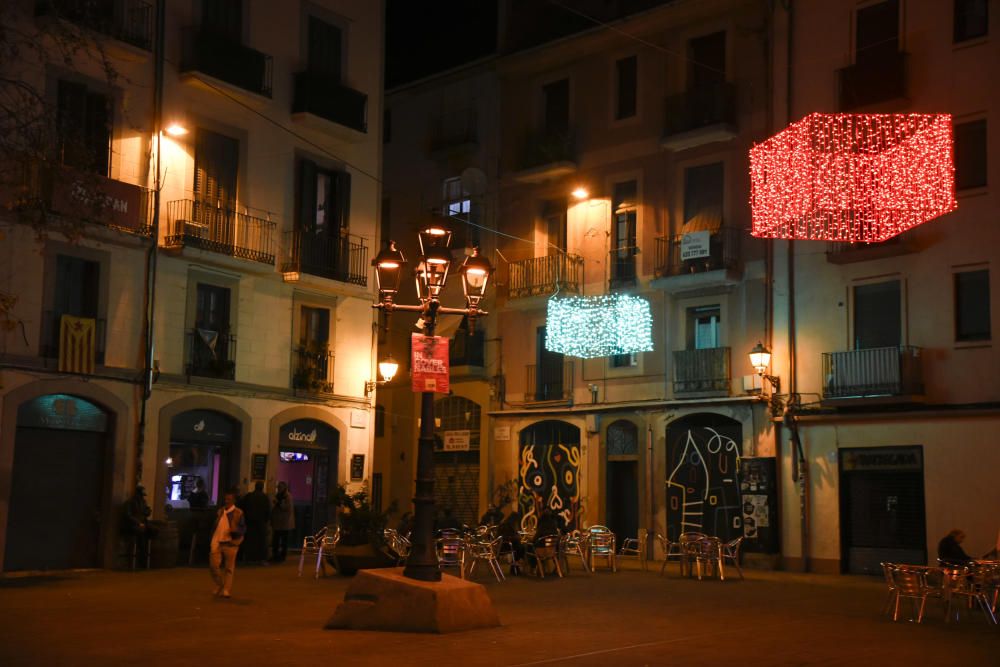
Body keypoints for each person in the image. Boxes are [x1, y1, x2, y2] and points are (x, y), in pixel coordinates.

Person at [210, 488, 246, 598]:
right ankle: (220, 584)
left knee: (229, 568)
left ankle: (226, 589)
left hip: (230, 543)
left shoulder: (238, 513)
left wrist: (235, 531)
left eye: (229, 499)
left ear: (234, 500)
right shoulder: (221, 511)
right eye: (226, 499)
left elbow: (243, 528)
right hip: (217, 540)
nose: (227, 501)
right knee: (213, 565)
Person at [123, 485, 158, 567]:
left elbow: (146, 511)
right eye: (141, 495)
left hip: (142, 523)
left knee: (154, 530)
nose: (142, 497)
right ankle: (141, 554)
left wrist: (147, 511)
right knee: (141, 532)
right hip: (133, 525)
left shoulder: (143, 502)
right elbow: (128, 516)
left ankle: (146, 552)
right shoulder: (130, 503)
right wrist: (138, 522)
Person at [240, 481, 271, 564]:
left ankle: (249, 557)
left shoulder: (249, 496)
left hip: (250, 521)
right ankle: (260, 558)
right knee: (261, 540)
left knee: (250, 540)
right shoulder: (264, 497)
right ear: (262, 487)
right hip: (261, 522)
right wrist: (266, 520)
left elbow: (243, 507)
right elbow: (268, 510)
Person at [270, 481, 294, 563]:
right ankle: (275, 555)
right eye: (278, 487)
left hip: (284, 523)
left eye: (280, 487)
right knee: (275, 540)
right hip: (277, 522)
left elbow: (287, 508)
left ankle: (282, 556)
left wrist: (278, 503)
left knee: (284, 541)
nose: (278, 488)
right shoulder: (278, 495)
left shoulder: (287, 496)